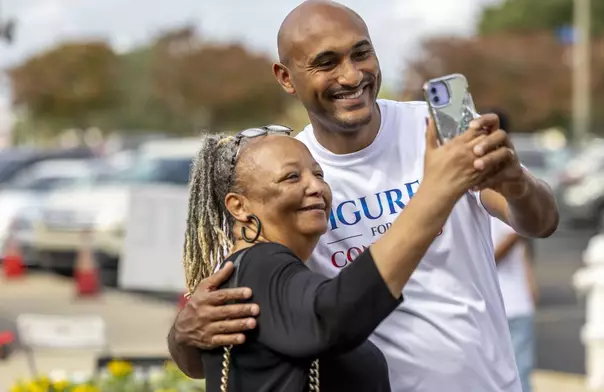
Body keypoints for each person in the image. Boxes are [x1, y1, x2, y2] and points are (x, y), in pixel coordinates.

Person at [167, 1, 560, 391]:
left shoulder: (433, 129)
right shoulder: (283, 184)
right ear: (286, 78)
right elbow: (231, 339)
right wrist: (184, 334)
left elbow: (541, 222)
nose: (352, 75)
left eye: (361, 53)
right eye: (326, 62)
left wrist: (516, 184)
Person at [181, 121, 508, 391]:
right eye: (292, 177)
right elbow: (335, 315)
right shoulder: (260, 265)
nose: (316, 187)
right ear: (239, 206)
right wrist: (436, 192)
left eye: (319, 175)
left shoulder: (254, 270)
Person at [491, 217, 540, 392]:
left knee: (518, 372)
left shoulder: (492, 200)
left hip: (512, 303)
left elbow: (515, 237)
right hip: (500, 303)